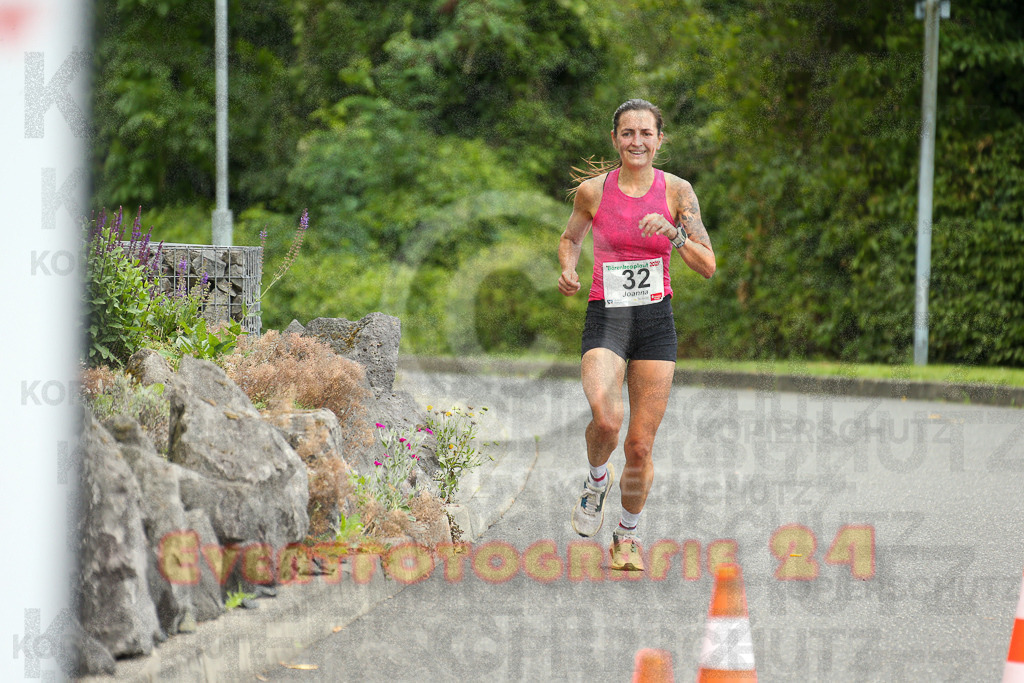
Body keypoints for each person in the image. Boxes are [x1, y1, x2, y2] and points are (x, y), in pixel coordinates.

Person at [558, 99, 716, 571]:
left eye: (646, 133)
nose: (637, 142)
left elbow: (708, 266)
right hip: (606, 316)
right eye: (628, 133)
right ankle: (595, 479)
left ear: (659, 139)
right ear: (615, 140)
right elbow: (571, 238)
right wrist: (568, 268)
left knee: (640, 446)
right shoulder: (592, 192)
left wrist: (674, 233)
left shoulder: (677, 192)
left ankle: (627, 536)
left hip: (653, 322)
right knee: (606, 421)